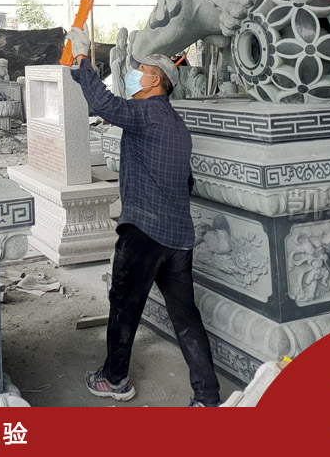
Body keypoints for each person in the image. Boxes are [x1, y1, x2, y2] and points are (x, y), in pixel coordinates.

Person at [66, 27, 221, 407]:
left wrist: (83, 58)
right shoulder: (177, 126)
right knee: (186, 318)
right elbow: (186, 181)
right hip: (178, 238)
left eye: (139, 71)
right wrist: (77, 69)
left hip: (144, 234)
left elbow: (104, 104)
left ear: (155, 81)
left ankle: (114, 379)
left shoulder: (147, 113)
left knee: (124, 306)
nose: (133, 75)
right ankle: (207, 396)